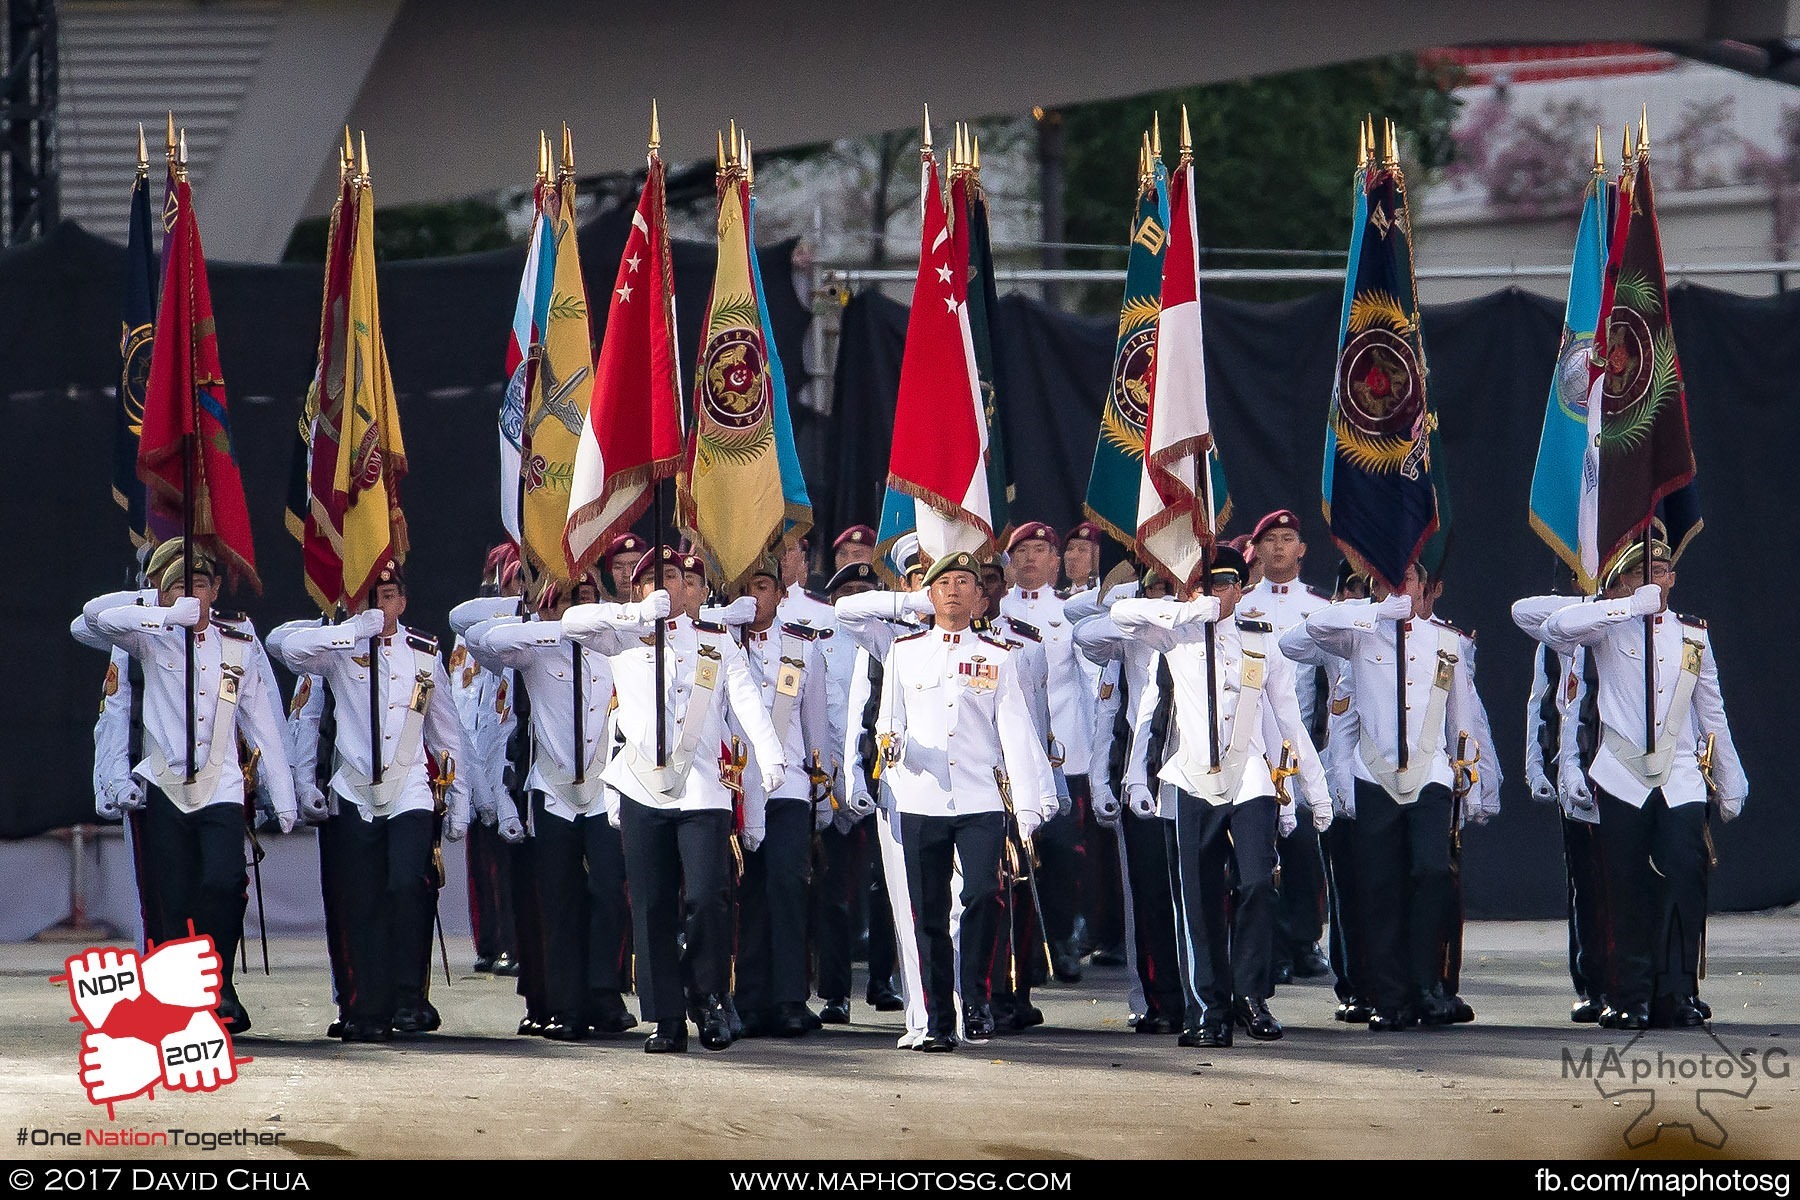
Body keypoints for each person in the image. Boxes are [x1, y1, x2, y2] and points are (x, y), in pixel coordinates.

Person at [564, 546, 786, 1053]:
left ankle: (706, 994)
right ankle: (666, 1016)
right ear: (641, 589)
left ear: (703, 592)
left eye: (688, 580)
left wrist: (770, 754)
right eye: (662, 578)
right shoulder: (622, 634)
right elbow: (573, 623)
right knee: (651, 905)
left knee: (709, 896)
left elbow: (746, 698)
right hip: (643, 785)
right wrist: (635, 614)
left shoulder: (717, 642)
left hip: (703, 785)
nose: (677, 587)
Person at [1112, 546, 1330, 1047]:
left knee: (1257, 882)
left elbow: (1289, 721)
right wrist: (1188, 610)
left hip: (1250, 774)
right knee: (1198, 901)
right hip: (1190, 776)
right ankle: (1209, 1009)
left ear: (1242, 588)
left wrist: (1310, 793)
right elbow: (1122, 615)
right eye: (1207, 585)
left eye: (1226, 585)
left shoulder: (1261, 640)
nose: (1218, 594)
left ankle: (1251, 996)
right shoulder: (1173, 633)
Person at [83, 540, 298, 1035]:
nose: (192, 595)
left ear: (216, 589)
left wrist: (280, 795)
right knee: (173, 899)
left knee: (224, 884)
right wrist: (160, 610)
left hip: (220, 783)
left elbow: (263, 721)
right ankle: (184, 999)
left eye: (200, 585)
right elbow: (95, 617)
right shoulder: (148, 637)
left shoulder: (238, 641)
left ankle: (217, 979)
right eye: (181, 585)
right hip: (164, 783)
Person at [270, 560, 483, 1042]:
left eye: (388, 598)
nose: (380, 607)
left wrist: (461, 802)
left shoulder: (425, 653)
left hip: (409, 787)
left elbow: (447, 732)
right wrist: (351, 628)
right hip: (354, 788)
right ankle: (362, 1005)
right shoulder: (339, 648)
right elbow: (288, 649)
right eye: (371, 597)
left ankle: (409, 996)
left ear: (402, 602)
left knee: (409, 885)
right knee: (358, 900)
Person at [1541, 539, 1745, 1030]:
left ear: (1673, 577)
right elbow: (1548, 625)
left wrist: (1730, 776)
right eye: (1642, 570)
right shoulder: (1606, 627)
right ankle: (1629, 994)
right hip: (1621, 771)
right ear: (1626, 578)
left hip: (1678, 773)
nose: (1654, 576)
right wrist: (1624, 606)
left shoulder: (1693, 636)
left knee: (1684, 877)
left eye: (1661, 568)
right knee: (1623, 886)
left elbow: (1710, 710)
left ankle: (1676, 990)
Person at [874, 551, 1056, 1052]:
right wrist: (891, 741)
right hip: (921, 794)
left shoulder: (998, 656)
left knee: (982, 895)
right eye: (944, 583)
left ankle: (974, 996)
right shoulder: (904, 652)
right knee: (928, 914)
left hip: (979, 797)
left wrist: (1028, 808)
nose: (954, 590)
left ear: (980, 598)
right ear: (929, 596)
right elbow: (889, 719)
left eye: (965, 582)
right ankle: (937, 1021)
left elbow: (1016, 732)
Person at [1294, 560, 1486, 1031]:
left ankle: (1425, 983)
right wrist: (1368, 611)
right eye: (1387, 583)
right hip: (1374, 773)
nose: (1399, 591)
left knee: (1431, 871)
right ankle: (1389, 995)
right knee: (1378, 888)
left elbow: (1462, 717)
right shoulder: (1359, 635)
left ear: (1423, 588)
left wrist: (1473, 780)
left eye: (1407, 582)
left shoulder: (1447, 641)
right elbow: (1295, 640)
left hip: (1431, 773)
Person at [465, 569, 630, 1041]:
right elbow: (481, 637)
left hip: (602, 790)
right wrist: (554, 625)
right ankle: (565, 1004)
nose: (577, 611)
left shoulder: (613, 653)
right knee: (558, 902)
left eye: (585, 602)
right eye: (568, 602)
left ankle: (603, 992)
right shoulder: (536, 654)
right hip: (553, 790)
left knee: (607, 895)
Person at [1073, 566, 1185, 1034]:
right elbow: (1084, 632)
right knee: (1151, 896)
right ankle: (1159, 1000)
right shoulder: (1132, 629)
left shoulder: (1208, 626)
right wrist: (1138, 609)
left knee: (1212, 897)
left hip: (1212, 777)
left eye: (1172, 585)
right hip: (1147, 778)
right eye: (1155, 585)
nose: (1165, 593)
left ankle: (1221, 995)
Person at [725, 556, 832, 1038]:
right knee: (744, 893)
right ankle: (747, 998)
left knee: (788, 889)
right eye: (745, 588)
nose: (754, 597)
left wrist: (824, 796)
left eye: (763, 586)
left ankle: (790, 997)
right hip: (732, 790)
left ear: (780, 594)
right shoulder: (717, 645)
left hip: (786, 788)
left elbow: (816, 729)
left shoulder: (802, 649)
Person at [837, 537, 934, 1047]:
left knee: (965, 904)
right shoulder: (887, 634)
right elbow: (846, 610)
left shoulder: (984, 636)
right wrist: (856, 776)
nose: (932, 586)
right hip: (899, 783)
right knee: (909, 904)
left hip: (968, 790)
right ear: (906, 581)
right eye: (922, 575)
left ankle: (964, 1005)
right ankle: (922, 1015)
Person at [1278, 560, 1373, 1023]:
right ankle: (1353, 982)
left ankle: (1398, 982)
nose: (1362, 598)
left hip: (1404, 777)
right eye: (1353, 590)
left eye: (1370, 590)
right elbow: (1292, 645)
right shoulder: (1332, 635)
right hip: (1339, 775)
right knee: (1347, 885)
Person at [1240, 510, 1332, 984]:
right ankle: (1267, 945)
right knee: (1257, 850)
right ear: (1254, 549)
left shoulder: (1319, 607)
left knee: (1301, 846)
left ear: (1302, 549)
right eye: (1269, 539)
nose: (1278, 547)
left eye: (1287, 538)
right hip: (1250, 741)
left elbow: (1334, 682)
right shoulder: (1239, 603)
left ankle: (1303, 939)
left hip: (1298, 740)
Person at [1000, 521, 1094, 983]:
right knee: (1014, 854)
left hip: (1063, 754)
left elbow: (1094, 685)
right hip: (1007, 756)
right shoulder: (994, 610)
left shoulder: (1072, 613)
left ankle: (1061, 937)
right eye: (1023, 551)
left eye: (1041, 550)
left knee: (1062, 854)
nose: (1031, 559)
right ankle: (1021, 952)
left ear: (1056, 561)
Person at [1513, 585, 1609, 1023]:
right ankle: (1592, 982)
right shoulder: (1561, 629)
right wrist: (1536, 764)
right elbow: (1541, 700)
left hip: (1630, 767)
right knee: (1587, 881)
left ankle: (1639, 980)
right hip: (1578, 768)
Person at [814, 560, 884, 1025]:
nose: (856, 598)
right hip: (834, 783)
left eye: (866, 590)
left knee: (885, 889)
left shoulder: (890, 642)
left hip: (885, 779)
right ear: (834, 600)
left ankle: (886, 979)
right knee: (833, 896)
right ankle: (836, 992)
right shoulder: (820, 645)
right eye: (849, 591)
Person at [452, 543, 523, 977]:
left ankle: (513, 942)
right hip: (472, 754)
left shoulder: (524, 632)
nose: (516, 587)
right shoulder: (469, 629)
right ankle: (489, 939)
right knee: (482, 861)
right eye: (509, 576)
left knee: (510, 861)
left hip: (505, 756)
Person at [600, 533, 649, 603]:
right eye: (618, 567)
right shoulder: (596, 610)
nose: (627, 574)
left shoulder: (656, 608)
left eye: (634, 566)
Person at [1061, 522, 1102, 594]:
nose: (1072, 556)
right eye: (1069, 549)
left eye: (1082, 549)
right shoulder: (1060, 598)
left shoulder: (1110, 596)